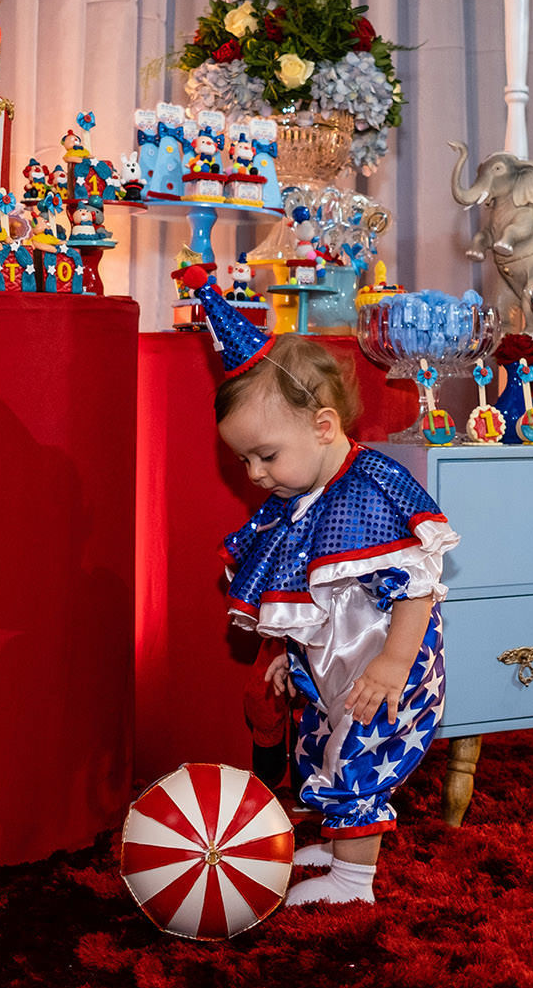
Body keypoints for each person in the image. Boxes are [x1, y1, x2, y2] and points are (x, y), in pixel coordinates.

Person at [176, 265, 456, 907]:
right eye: (242, 460)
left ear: (323, 427)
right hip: (331, 667)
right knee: (319, 746)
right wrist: (283, 653)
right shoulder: (296, 500)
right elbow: (308, 597)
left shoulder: (372, 489)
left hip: (391, 669)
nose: (253, 474)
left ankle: (354, 884)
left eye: (265, 455)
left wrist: (394, 663)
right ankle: (336, 846)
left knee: (358, 759)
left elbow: (418, 583)